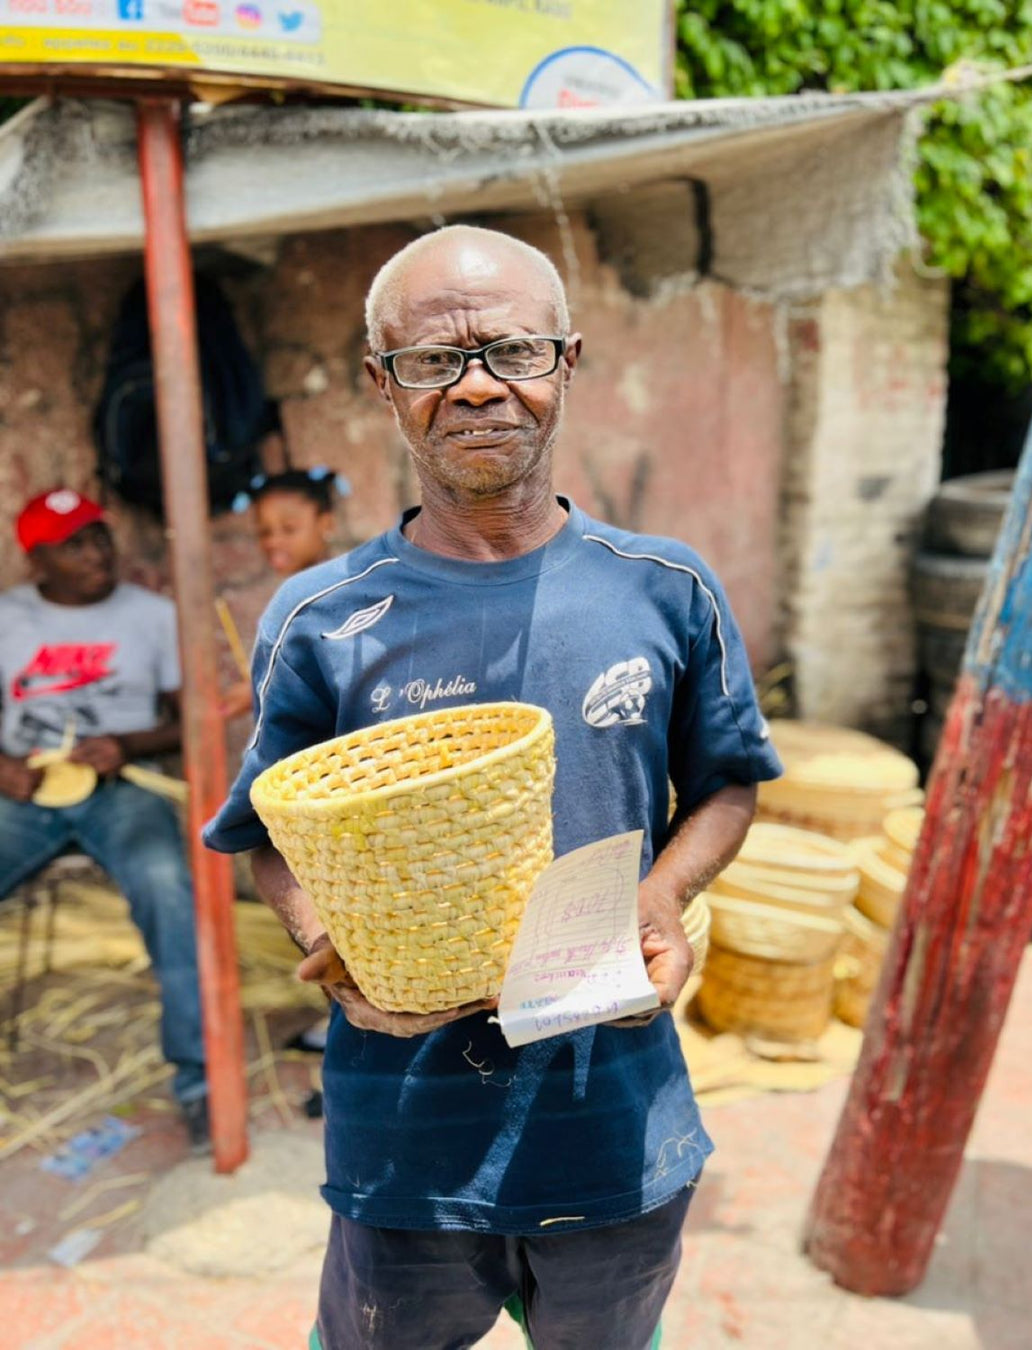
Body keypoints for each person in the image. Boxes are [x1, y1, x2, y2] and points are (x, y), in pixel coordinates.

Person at [204, 225, 782, 1350]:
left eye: (512, 351)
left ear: (567, 362)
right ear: (383, 384)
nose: (476, 387)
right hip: (406, 1129)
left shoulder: (663, 589)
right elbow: (265, 830)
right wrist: (325, 934)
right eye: (431, 361)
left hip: (613, 1115)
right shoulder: (321, 617)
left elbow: (726, 785)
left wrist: (662, 896)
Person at [0, 489, 208, 1148]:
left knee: (166, 887)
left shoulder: (150, 616)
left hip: (121, 788)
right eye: (74, 544)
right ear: (38, 563)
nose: (96, 554)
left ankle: (200, 1081)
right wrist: (3, 770)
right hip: (25, 790)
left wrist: (127, 746)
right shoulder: (8, 618)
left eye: (99, 537)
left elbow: (189, 720)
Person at [220, 466, 347, 721]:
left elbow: (338, 677)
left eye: (289, 529)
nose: (273, 541)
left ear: (327, 523)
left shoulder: (340, 592)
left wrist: (260, 690)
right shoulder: (297, 596)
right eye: (264, 532)